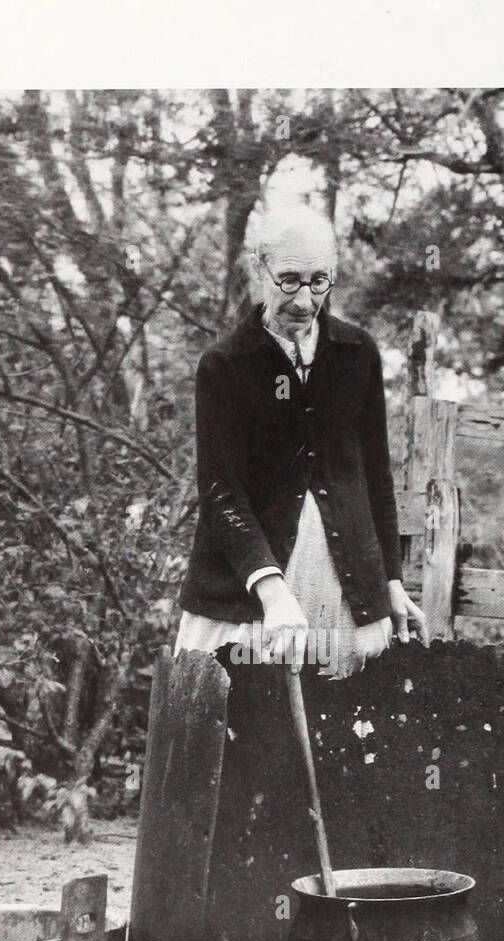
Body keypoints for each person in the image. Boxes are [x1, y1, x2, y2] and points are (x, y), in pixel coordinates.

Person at [174, 200, 428, 678]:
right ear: (258, 268)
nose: (305, 300)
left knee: (342, 737)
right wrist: (272, 592)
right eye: (288, 279)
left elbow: (375, 479)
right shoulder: (225, 365)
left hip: (348, 596)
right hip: (248, 599)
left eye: (319, 281)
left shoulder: (358, 354)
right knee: (237, 729)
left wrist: (390, 580)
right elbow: (220, 492)